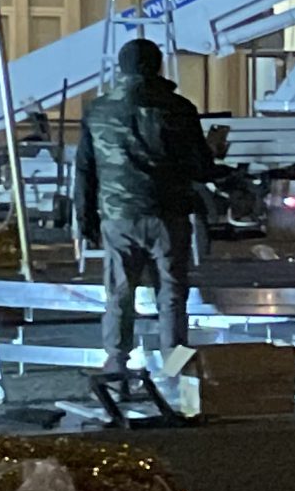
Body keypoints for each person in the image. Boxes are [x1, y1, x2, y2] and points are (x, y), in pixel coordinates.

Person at [74, 38, 226, 378]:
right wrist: (216, 156)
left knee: (119, 292)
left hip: (118, 216)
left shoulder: (98, 110)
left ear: (121, 68)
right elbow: (200, 168)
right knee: (172, 294)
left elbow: (84, 169)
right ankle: (176, 368)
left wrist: (84, 220)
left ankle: (116, 364)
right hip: (168, 215)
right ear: (158, 66)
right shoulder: (179, 108)